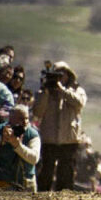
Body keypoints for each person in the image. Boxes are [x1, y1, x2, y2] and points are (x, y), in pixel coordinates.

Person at [34, 61, 86, 191]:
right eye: (57, 75)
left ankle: (64, 196)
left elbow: (79, 103)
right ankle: (42, 195)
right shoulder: (44, 91)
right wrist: (45, 92)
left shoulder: (77, 90)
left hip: (69, 139)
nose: (60, 77)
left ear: (69, 75)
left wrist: (62, 91)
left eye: (62, 74)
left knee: (66, 173)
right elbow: (37, 112)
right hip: (49, 138)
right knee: (46, 171)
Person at [0, 104, 41, 191]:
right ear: (11, 118)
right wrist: (1, 139)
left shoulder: (32, 134)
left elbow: (34, 159)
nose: (24, 122)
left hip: (27, 182)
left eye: (27, 118)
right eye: (21, 118)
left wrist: (18, 146)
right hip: (3, 182)